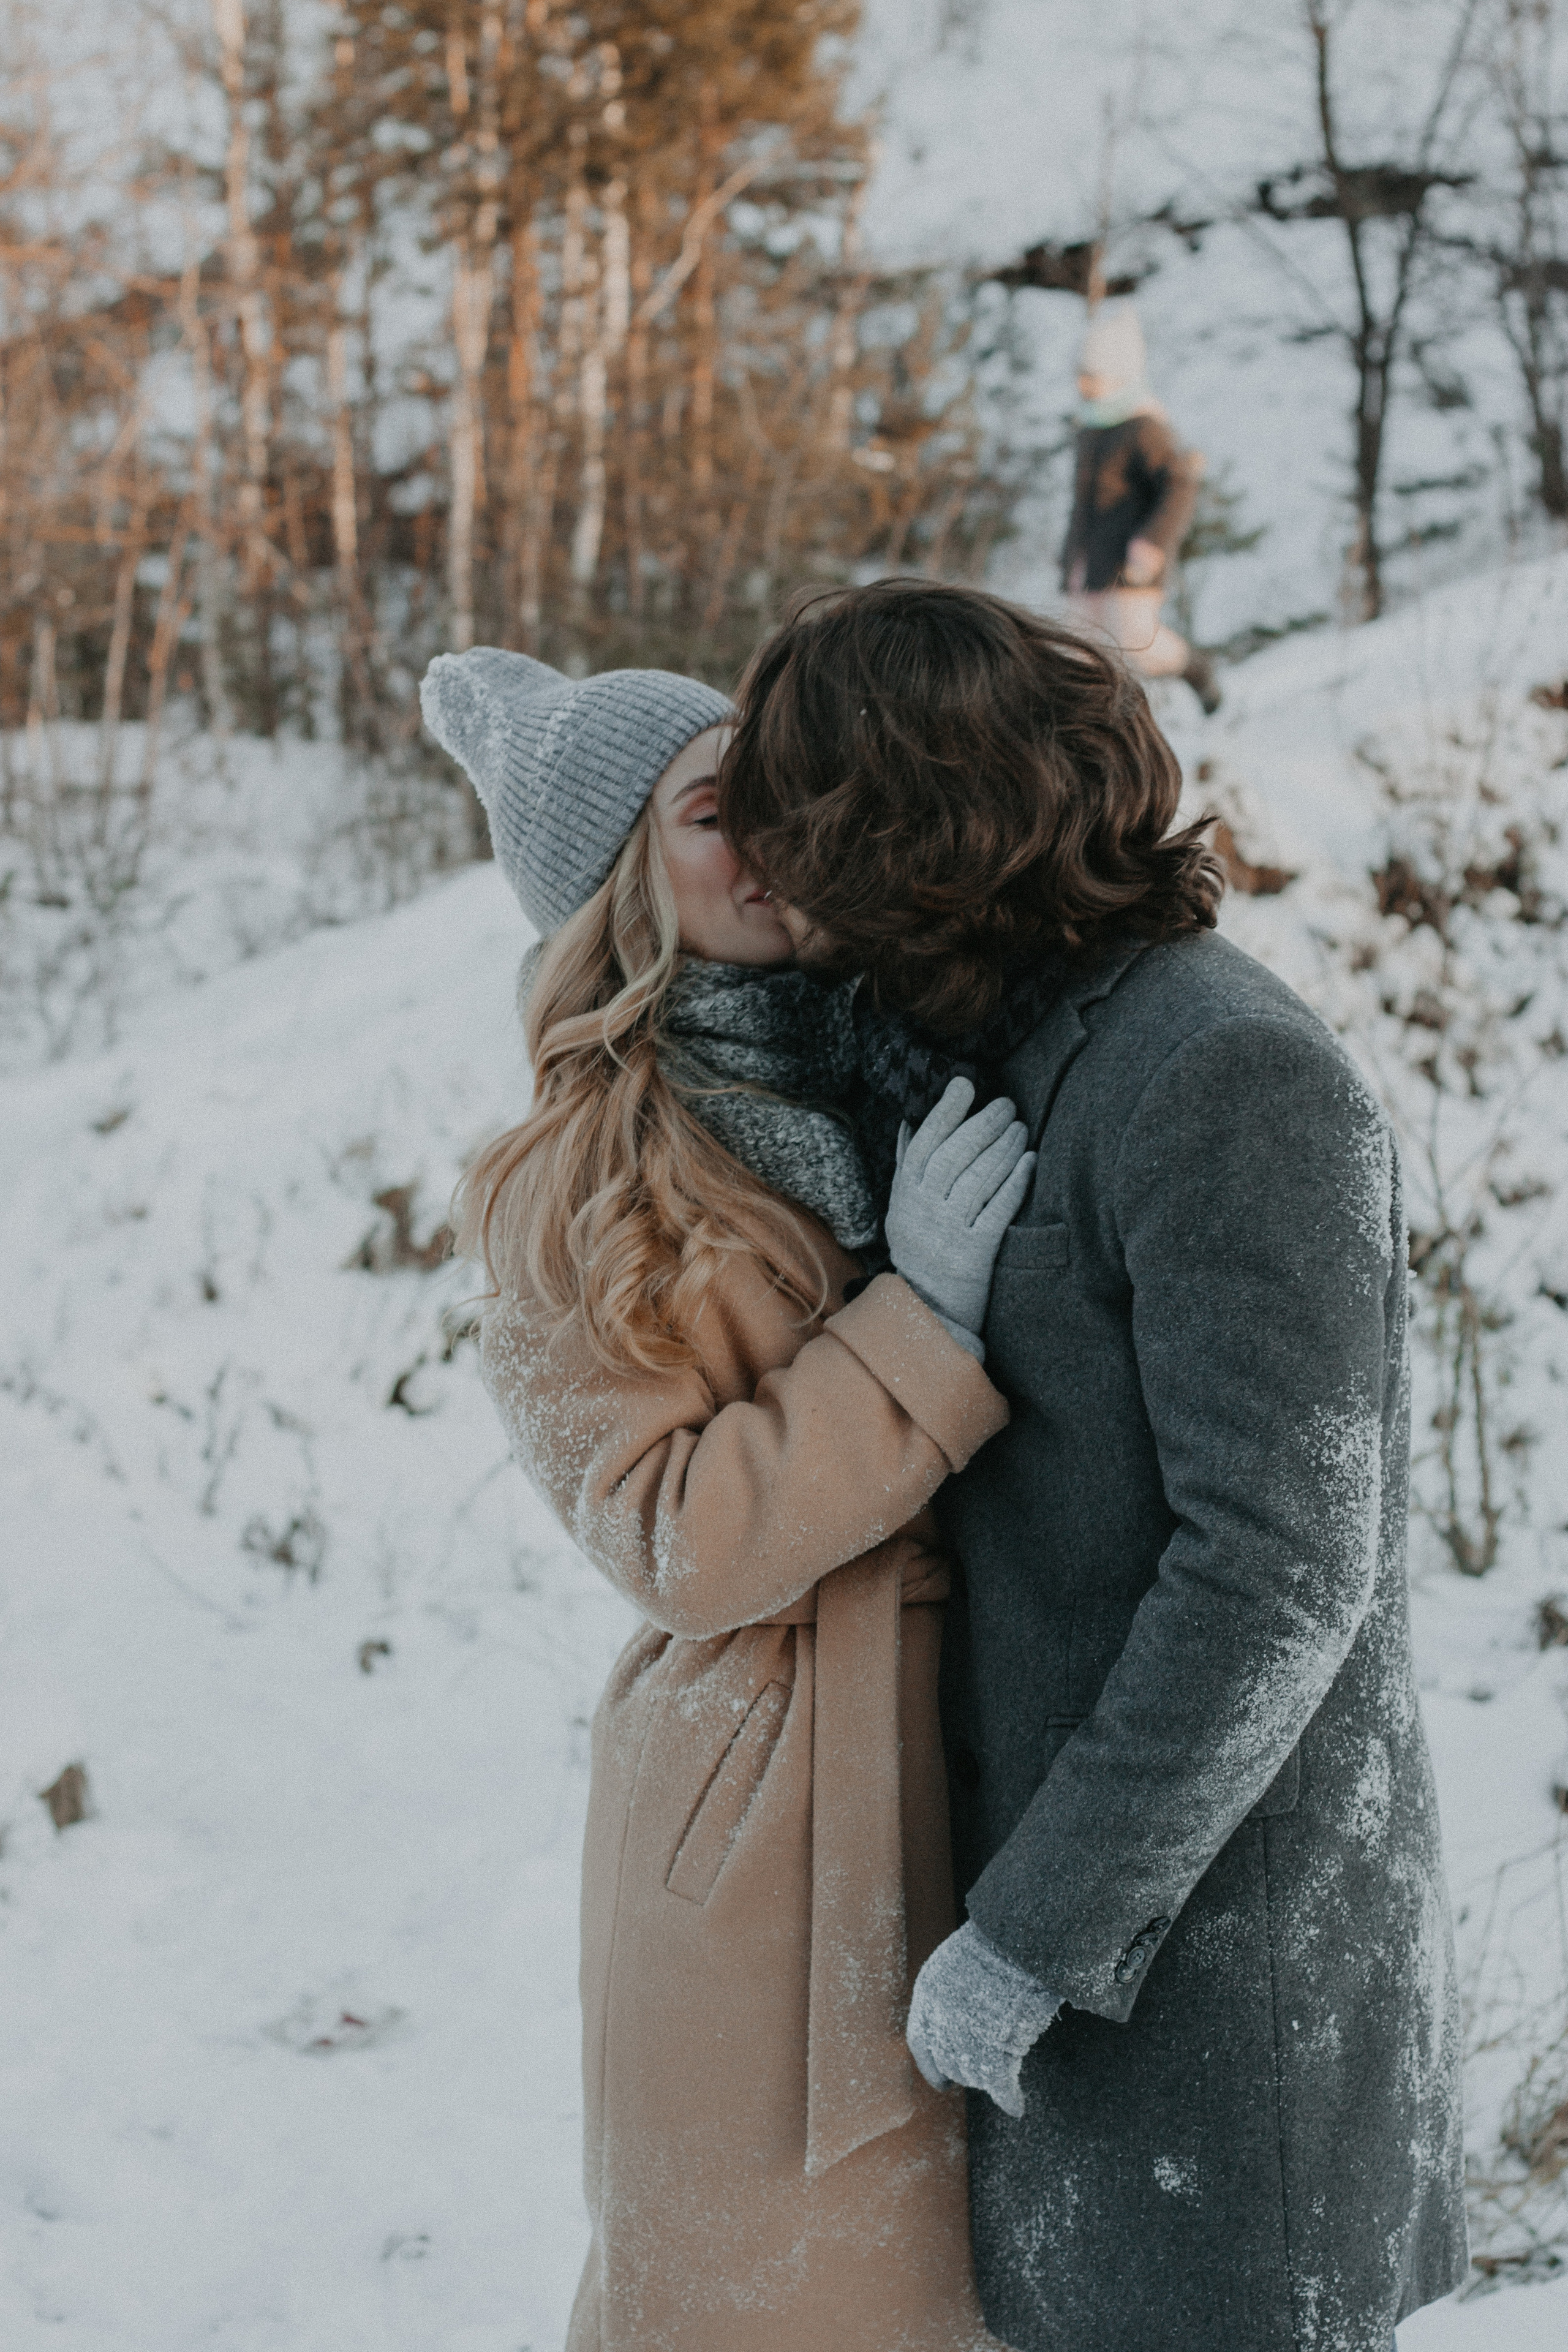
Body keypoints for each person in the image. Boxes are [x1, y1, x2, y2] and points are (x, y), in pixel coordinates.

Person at [718, 579, 1468, 2352]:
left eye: (807, 830)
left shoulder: (1230, 1078)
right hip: (1070, 1965)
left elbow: (1282, 1572)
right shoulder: (995, 1046)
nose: (780, 882)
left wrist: (1035, 1936)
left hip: (1219, 1988)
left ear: (916, 833)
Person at [420, 646, 1034, 2352]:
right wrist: (918, 1320)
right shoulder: (575, 1185)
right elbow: (674, 1539)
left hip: (994, 1768)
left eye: (777, 790)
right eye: (713, 808)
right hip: (768, 1828)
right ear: (622, 876)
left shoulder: (903, 1055)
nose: (768, 833)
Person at [1063, 300, 1221, 715]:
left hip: (1133, 559)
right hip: (1091, 561)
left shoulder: (1144, 427)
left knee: (1136, 640)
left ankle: (1196, 670)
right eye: (1080, 375)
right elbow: (1083, 504)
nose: (1083, 384)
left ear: (1117, 375)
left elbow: (1180, 485)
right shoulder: (1091, 427)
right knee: (1081, 650)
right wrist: (1071, 558)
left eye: (1092, 376)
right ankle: (1093, 724)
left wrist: (1151, 543)